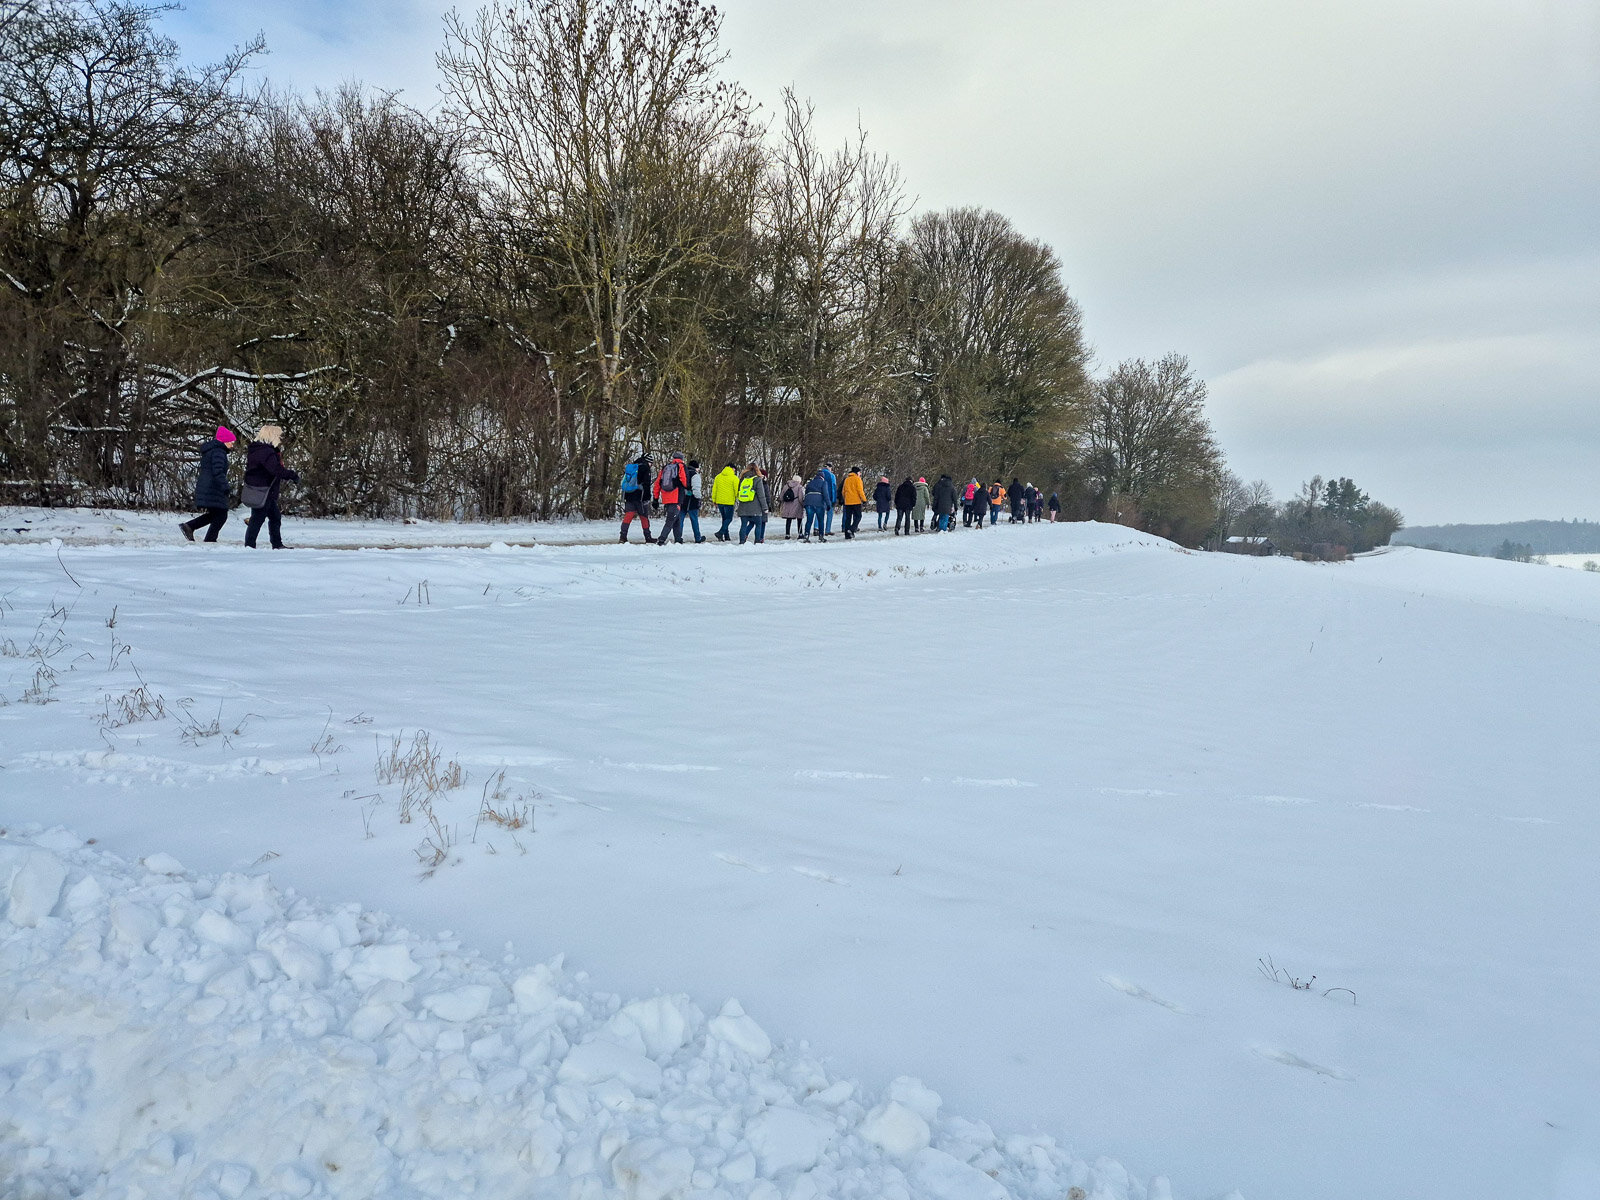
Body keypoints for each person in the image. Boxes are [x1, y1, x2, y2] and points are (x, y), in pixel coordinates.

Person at [242, 424, 299, 550]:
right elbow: (276, 470)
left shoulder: (257, 450)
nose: (280, 438)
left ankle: (276, 544)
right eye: (278, 436)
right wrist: (292, 475)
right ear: (272, 436)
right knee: (258, 518)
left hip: (260, 489)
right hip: (264, 490)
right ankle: (250, 545)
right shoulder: (266, 452)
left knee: (274, 517)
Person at [179, 426, 236, 543]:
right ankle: (209, 539)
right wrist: (225, 486)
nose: (232, 445)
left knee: (216, 514)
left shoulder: (212, 450)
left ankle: (190, 527)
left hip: (208, 485)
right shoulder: (218, 452)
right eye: (231, 442)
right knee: (221, 515)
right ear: (224, 441)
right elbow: (217, 471)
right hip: (213, 487)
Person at [654, 452, 690, 544]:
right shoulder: (681, 466)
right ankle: (661, 539)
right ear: (681, 458)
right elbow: (684, 480)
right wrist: (688, 486)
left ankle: (678, 539)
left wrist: (656, 498)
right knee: (670, 520)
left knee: (676, 519)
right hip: (676, 497)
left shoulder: (666, 467)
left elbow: (658, 483)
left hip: (666, 498)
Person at [619, 452, 654, 543]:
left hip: (629, 494)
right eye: (651, 463)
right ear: (649, 461)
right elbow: (646, 484)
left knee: (628, 515)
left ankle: (623, 536)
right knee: (644, 517)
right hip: (640, 496)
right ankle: (648, 537)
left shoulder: (633, 466)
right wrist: (647, 497)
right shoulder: (645, 468)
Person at [736, 463, 769, 544]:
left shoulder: (742, 479)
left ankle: (742, 541)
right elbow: (761, 495)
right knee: (758, 525)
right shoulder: (757, 479)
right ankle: (757, 541)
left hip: (743, 507)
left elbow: (739, 493)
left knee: (743, 525)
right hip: (756, 508)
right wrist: (765, 507)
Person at [711, 461, 740, 541]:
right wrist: (738, 497)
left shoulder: (718, 477)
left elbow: (714, 490)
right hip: (729, 502)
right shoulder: (734, 478)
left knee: (724, 519)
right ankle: (720, 533)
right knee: (729, 519)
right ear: (732, 469)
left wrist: (714, 500)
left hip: (720, 501)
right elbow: (737, 490)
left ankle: (726, 536)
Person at [802, 468, 830, 542]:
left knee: (809, 521)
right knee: (820, 520)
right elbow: (826, 494)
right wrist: (828, 504)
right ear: (822, 477)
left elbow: (806, 492)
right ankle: (821, 536)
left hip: (809, 503)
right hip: (819, 503)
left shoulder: (810, 483)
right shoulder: (824, 483)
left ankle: (806, 535)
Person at [683, 459, 706, 542]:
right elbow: (696, 489)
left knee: (680, 519)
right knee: (694, 519)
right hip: (692, 500)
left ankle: (678, 537)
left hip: (682, 499)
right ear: (696, 468)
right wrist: (698, 498)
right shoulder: (695, 475)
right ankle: (697, 537)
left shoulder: (683, 472)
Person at [840, 466, 866, 538]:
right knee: (858, 516)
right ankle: (852, 529)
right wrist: (864, 499)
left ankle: (847, 534)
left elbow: (843, 491)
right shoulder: (857, 479)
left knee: (848, 518)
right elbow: (860, 490)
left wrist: (846, 498)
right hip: (856, 501)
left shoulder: (847, 479)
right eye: (860, 472)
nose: (860, 474)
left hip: (848, 502)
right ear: (857, 472)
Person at [777, 474, 806, 538]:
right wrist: (803, 504)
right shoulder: (799, 487)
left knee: (788, 519)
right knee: (799, 519)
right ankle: (800, 534)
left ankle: (787, 534)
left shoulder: (786, 486)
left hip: (787, 504)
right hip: (797, 505)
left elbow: (781, 496)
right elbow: (800, 498)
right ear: (799, 481)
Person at [821, 463, 838, 536]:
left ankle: (816, 528)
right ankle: (827, 530)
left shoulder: (819, 474)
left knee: (820, 513)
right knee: (829, 514)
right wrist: (834, 499)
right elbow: (833, 488)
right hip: (829, 497)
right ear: (829, 468)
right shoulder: (831, 476)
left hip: (821, 497)